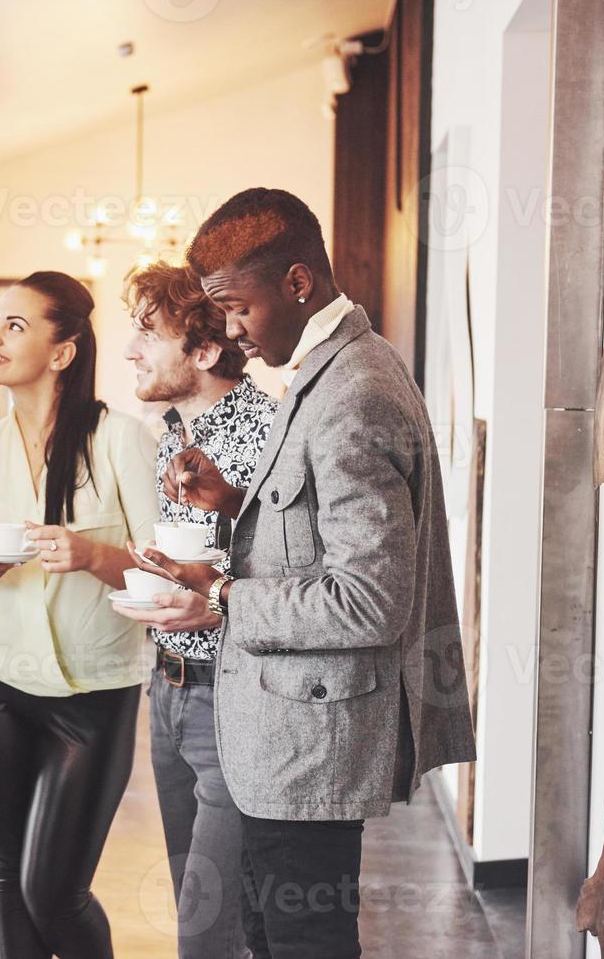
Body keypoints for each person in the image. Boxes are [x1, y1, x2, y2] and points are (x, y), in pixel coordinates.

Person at [133, 188, 477, 958]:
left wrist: (218, 595)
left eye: (236, 307)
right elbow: (315, 533)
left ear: (296, 282)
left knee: (302, 940)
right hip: (284, 736)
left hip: (307, 739)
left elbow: (366, 601)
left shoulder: (353, 391)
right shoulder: (331, 369)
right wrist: (230, 505)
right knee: (266, 932)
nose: (228, 330)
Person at [0, 271, 159, 958]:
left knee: (53, 891)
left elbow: (165, 579)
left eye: (14, 324)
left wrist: (92, 555)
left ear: (62, 350)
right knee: (8, 875)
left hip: (93, 695)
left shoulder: (120, 440)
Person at [112, 261, 277, 959]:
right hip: (171, 687)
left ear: (204, 352)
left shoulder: (272, 431)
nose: (130, 351)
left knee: (208, 934)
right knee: (200, 901)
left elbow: (292, 573)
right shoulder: (175, 430)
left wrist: (212, 601)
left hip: (237, 697)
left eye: (147, 334)